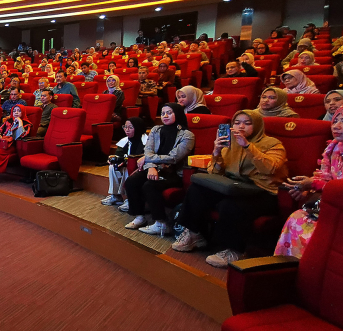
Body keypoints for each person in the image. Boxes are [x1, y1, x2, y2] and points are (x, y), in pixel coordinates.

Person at [172, 110, 287, 268]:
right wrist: (217, 152)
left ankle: (235, 250)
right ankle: (195, 234)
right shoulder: (229, 141)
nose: (241, 127)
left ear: (258, 125)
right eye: (237, 123)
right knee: (196, 190)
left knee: (229, 205)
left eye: (247, 123)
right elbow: (215, 172)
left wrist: (247, 146)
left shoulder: (272, 143)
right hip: (233, 187)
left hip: (261, 191)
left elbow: (270, 168)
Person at [275, 108, 343, 258]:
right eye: (335, 120)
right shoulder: (334, 147)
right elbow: (325, 178)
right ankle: (290, 269)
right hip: (329, 204)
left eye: (342, 121)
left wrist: (313, 184)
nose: (336, 126)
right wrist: (309, 190)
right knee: (297, 217)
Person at [123, 103, 195, 236]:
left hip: (174, 172)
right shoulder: (156, 129)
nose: (165, 116)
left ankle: (161, 223)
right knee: (131, 182)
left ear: (177, 114)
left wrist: (148, 159)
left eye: (169, 112)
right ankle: (140, 216)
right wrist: (151, 166)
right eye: (162, 113)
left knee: (149, 185)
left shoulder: (187, 135)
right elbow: (148, 150)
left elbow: (173, 158)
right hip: (155, 167)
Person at [101, 117, 148, 209]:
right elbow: (119, 155)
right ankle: (116, 196)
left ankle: (129, 199)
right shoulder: (124, 141)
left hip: (141, 169)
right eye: (125, 127)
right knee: (112, 167)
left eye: (130, 127)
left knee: (128, 168)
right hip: (127, 165)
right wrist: (114, 159)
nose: (127, 130)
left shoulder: (147, 141)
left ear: (138, 128)